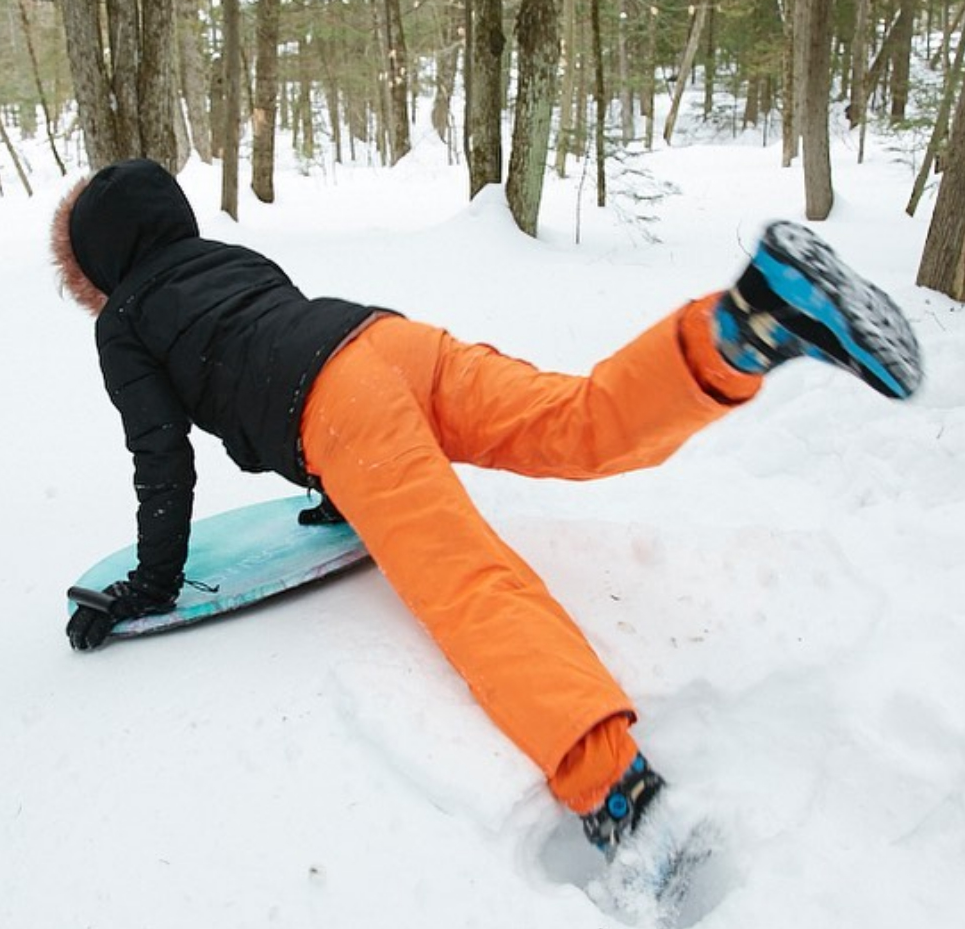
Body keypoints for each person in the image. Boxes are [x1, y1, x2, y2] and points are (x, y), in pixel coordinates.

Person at [51, 157, 922, 862]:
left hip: (339, 409)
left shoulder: (123, 321)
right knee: (577, 422)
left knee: (465, 583)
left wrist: (152, 582)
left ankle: (616, 793)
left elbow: (161, 452)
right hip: (392, 343)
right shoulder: (232, 261)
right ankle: (744, 327)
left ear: (98, 262)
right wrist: (335, 493)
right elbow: (261, 347)